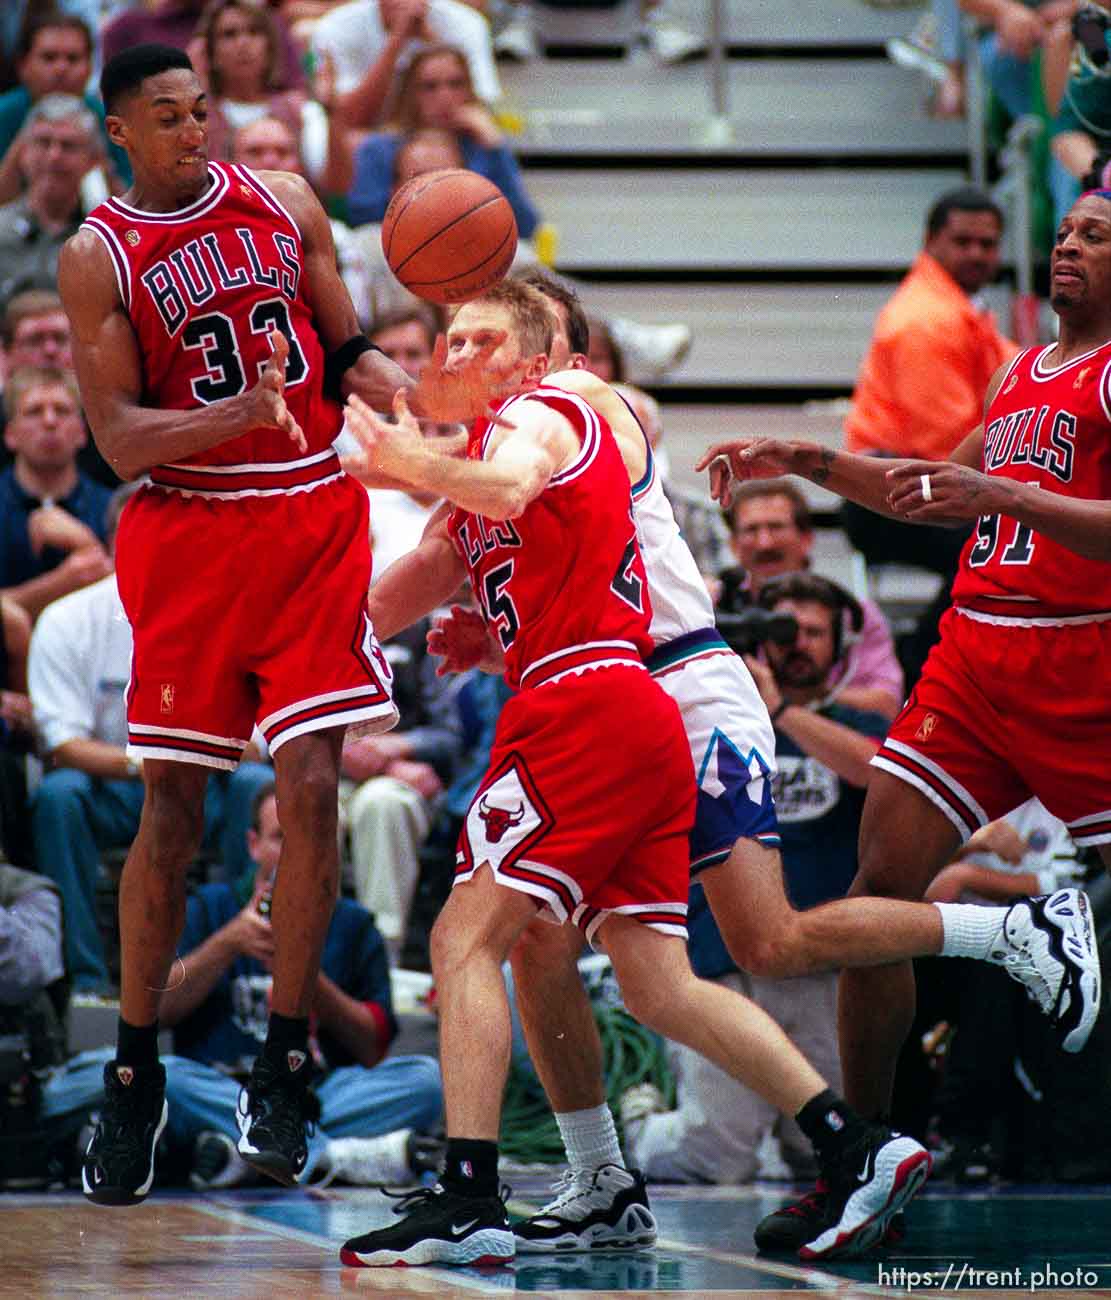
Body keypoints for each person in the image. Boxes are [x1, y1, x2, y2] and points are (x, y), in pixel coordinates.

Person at [356, 270, 1096, 1260]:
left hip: (675, 691)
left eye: (483, 339)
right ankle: (605, 1174)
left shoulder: (576, 403)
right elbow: (470, 570)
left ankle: (1010, 931)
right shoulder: (493, 454)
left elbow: (541, 513)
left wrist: (401, 458)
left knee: (762, 938)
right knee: (573, 950)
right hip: (619, 695)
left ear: (559, 354)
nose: (456, 356)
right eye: (449, 341)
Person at [58, 41, 442, 1208]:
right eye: (168, 116)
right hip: (188, 530)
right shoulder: (98, 255)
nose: (194, 130)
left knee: (314, 778)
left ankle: (284, 1061)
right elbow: (119, 442)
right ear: (119, 129)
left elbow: (343, 343)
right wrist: (232, 410)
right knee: (171, 809)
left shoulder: (280, 198)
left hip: (308, 518)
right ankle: (132, 1073)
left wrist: (398, 393)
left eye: (201, 110)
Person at [696, 185, 1111, 1248]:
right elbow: (926, 489)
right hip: (974, 657)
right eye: (1063, 230)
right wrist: (809, 460)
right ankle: (866, 1151)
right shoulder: (1022, 368)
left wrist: (1010, 502)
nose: (1067, 245)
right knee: (878, 887)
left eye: (1095, 236)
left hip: (1083, 658)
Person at [622, 573, 889, 1186]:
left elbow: (877, 773)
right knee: (715, 1161)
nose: (796, 644)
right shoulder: (709, 712)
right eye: (783, 631)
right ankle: (640, 1122)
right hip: (723, 962)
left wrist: (785, 712)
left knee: (817, 1155)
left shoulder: (856, 721)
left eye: (812, 632)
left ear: (841, 643)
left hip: (821, 972)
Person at [28, 483, 273, 992]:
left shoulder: (227, 613)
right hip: (116, 787)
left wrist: (187, 756)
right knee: (58, 797)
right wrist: (152, 762)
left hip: (203, 783)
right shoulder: (69, 620)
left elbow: (258, 738)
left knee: (254, 785)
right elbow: (63, 745)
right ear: (116, 542)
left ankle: (227, 967)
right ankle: (88, 983)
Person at [159, 782, 443, 1189]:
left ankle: (245, 1154)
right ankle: (332, 1156)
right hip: (225, 1087)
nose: (293, 853)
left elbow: (374, 1045)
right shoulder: (211, 906)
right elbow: (159, 1010)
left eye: (306, 839)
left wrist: (307, 978)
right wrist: (228, 943)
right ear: (254, 845)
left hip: (321, 1092)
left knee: (425, 1080)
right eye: (279, 838)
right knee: (167, 1077)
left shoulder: (354, 923)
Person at [842, 187, 1017, 579]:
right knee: (1006, 546)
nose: (975, 253)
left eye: (986, 244)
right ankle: (931, 645)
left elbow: (1021, 376)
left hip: (919, 483)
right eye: (962, 242)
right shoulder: (926, 318)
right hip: (890, 491)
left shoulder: (960, 309)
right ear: (929, 241)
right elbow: (946, 442)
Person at [719, 480, 904, 720]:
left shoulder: (854, 614)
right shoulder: (711, 609)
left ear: (807, 538)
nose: (765, 542)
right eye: (751, 530)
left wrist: (805, 693)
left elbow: (887, 706)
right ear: (733, 544)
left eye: (776, 527)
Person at [345, 44, 537, 237]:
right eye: (430, 86)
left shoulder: (484, 145)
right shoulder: (380, 148)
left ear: (469, 88)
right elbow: (363, 219)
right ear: (410, 93)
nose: (445, 96)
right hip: (401, 245)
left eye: (455, 84)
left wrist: (495, 146)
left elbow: (524, 225)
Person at [194, 0, 352, 199]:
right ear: (211, 52)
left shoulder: (299, 109)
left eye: (254, 32)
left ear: (270, 47)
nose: (243, 43)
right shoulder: (196, 116)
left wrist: (331, 111)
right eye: (229, 34)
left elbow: (339, 184)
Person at [0, 365, 113, 622]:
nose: (49, 421)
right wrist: (61, 583)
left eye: (61, 410)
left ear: (83, 433)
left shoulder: (110, 507)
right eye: (33, 411)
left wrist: (86, 544)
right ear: (10, 434)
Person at [312, 0, 502, 133]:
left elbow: (479, 104)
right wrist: (397, 41)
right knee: (355, 142)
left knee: (484, 132)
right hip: (372, 133)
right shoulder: (336, 26)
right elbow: (348, 119)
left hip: (446, 131)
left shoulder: (467, 23)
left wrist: (432, 43)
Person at [0, 12, 129, 206]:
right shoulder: (4, 114)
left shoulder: (110, 121)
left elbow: (132, 203)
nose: (61, 68)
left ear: (89, 68)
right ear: (23, 65)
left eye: (72, 58)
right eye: (49, 57)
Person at [0, 95, 102, 302]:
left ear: (93, 161)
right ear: (22, 153)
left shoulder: (104, 239)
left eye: (68, 146)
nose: (54, 156)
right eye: (43, 143)